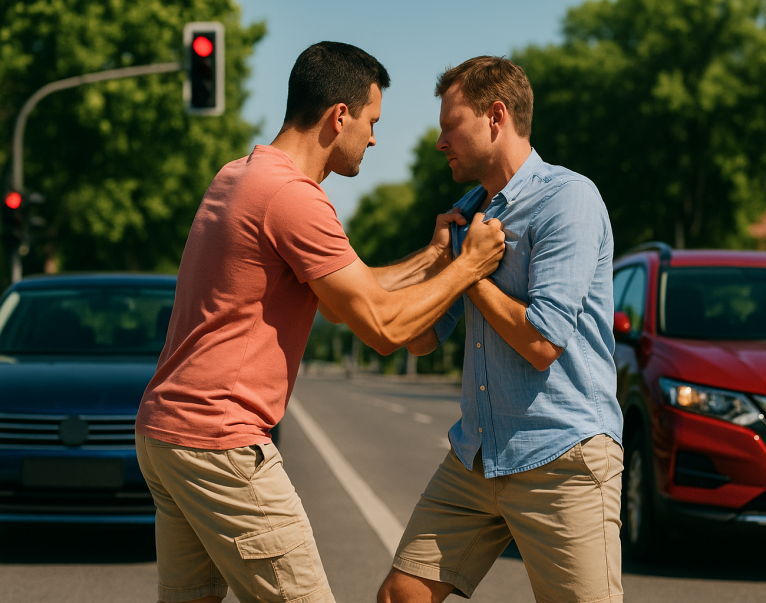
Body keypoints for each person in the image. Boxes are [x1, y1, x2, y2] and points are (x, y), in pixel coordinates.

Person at [134, 42, 505, 603]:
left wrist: (433, 258)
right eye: (372, 121)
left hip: (168, 435)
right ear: (340, 115)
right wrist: (470, 266)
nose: (374, 138)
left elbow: (341, 298)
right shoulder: (293, 198)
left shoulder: (242, 175)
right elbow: (380, 328)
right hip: (221, 441)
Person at [377, 56, 624, 603]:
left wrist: (469, 276)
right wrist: (441, 259)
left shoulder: (568, 199)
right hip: (478, 454)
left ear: (495, 116)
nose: (441, 141)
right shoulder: (467, 215)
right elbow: (420, 339)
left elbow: (541, 342)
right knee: (402, 595)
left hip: (562, 455)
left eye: (450, 125)